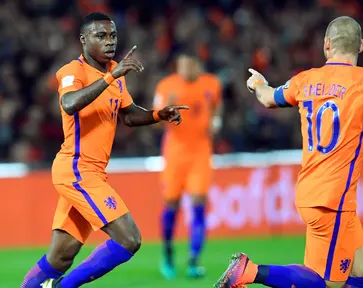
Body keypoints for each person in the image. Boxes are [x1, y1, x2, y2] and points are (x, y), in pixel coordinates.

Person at [21, 12, 188, 288]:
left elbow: (129, 115)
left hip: (92, 172)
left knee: (61, 257)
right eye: (101, 36)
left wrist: (159, 114)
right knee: (129, 239)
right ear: (83, 40)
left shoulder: (113, 72)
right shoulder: (72, 72)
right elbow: (70, 103)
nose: (109, 41)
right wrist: (112, 77)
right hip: (76, 169)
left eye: (112, 35)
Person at [215, 16, 363, 288]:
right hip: (334, 200)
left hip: (314, 191)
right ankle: (251, 271)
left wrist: (258, 84)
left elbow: (269, 97)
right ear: (360, 46)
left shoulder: (305, 80)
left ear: (327, 44)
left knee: (359, 271)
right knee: (330, 285)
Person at [153, 53, 222, 279]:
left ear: (197, 65)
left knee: (199, 203)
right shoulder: (166, 87)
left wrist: (216, 122)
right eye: (181, 64)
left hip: (200, 152)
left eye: (188, 64)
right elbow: (155, 123)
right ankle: (168, 254)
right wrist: (165, 112)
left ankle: (193, 259)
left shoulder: (211, 84)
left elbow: (217, 107)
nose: (184, 69)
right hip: (175, 154)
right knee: (171, 204)